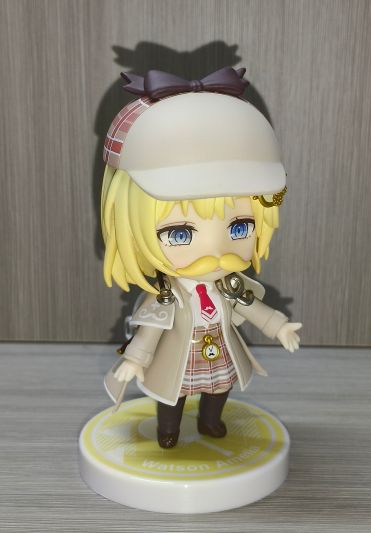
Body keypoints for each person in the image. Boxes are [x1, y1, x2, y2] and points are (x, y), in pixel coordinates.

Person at [101, 67, 302, 448]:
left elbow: (251, 307)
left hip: (218, 355)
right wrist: (135, 360)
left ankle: (211, 421)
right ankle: (169, 429)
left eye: (239, 228)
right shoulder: (168, 296)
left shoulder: (229, 285)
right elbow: (150, 330)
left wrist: (279, 327)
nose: (216, 252)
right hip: (178, 359)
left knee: (219, 389)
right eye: (181, 234)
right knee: (172, 394)